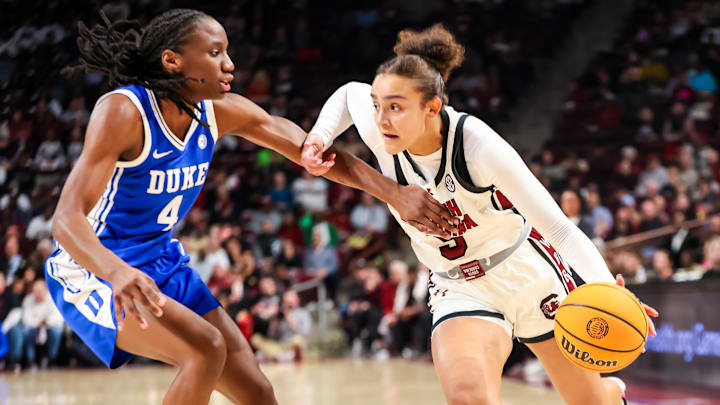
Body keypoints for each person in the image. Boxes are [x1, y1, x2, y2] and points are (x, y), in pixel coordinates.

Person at [46, 10, 458, 405]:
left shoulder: (221, 111)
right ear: (172, 60)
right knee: (205, 351)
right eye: (214, 52)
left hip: (161, 261)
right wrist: (117, 272)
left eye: (226, 51)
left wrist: (394, 193)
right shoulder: (123, 111)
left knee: (258, 394)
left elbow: (315, 152)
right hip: (94, 266)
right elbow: (65, 219)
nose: (229, 64)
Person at [303, 24, 659, 405]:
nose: (380, 119)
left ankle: (610, 393)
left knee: (592, 402)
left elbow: (558, 227)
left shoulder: (477, 146)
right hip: (459, 285)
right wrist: (320, 136)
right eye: (377, 104)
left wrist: (609, 287)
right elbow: (345, 96)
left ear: (432, 108)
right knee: (467, 398)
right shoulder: (382, 130)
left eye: (394, 107)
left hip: (525, 272)